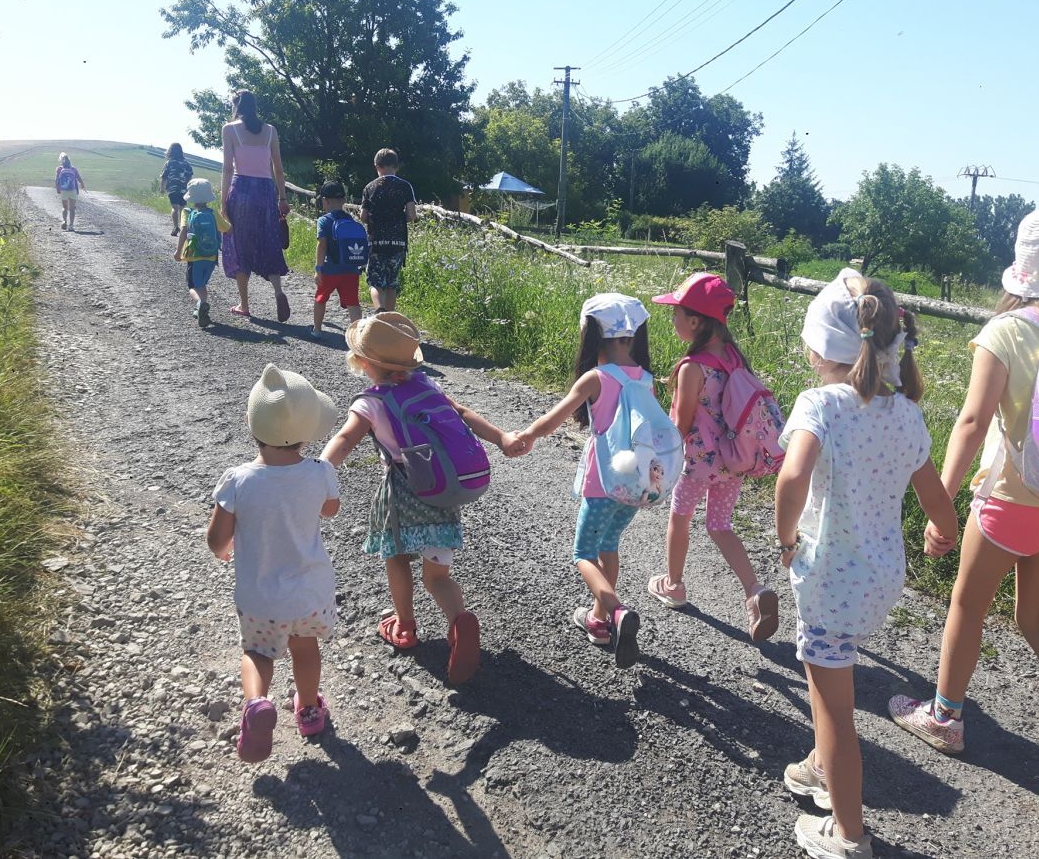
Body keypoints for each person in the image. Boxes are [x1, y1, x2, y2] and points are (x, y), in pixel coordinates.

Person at [889, 202, 1039, 809]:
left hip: (1013, 500)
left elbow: (971, 421)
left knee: (968, 603)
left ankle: (944, 717)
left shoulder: (1008, 331)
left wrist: (940, 502)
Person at [775, 269, 958, 859]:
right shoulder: (905, 412)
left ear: (820, 348)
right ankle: (818, 765)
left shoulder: (820, 405)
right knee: (831, 679)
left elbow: (792, 478)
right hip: (881, 578)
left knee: (833, 707)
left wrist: (785, 539)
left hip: (829, 580)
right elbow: (936, 500)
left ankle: (849, 834)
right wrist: (946, 531)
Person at [320, 312, 523, 685]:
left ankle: (405, 625)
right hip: (442, 490)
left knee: (397, 558)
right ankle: (459, 619)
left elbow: (346, 439)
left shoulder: (371, 402)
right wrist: (501, 438)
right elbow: (462, 413)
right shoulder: (425, 383)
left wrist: (320, 469)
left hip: (404, 492)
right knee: (437, 576)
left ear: (363, 362)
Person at [515, 294, 657, 669]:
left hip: (602, 483)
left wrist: (526, 436)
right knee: (609, 544)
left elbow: (553, 419)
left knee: (583, 553)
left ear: (592, 333)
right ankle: (598, 619)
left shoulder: (596, 378)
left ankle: (617, 612)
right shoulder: (646, 379)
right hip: (636, 484)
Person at [206, 364, 339, 763]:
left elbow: (216, 540)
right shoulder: (320, 473)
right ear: (308, 432)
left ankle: (256, 704)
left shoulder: (238, 480)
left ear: (252, 424)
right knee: (305, 649)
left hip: (260, 598)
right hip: (309, 594)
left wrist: (225, 548)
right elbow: (330, 510)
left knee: (258, 653)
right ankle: (309, 711)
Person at [645, 272, 780, 640]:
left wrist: (658, 452)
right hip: (733, 460)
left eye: (676, 312)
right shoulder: (735, 357)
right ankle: (754, 591)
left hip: (697, 463)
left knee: (680, 517)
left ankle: (673, 585)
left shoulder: (693, 367)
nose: (672, 318)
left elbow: (682, 424)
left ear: (695, 321)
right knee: (720, 526)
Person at [219, 89, 291, 322]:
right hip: (265, 192)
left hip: (241, 190)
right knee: (269, 241)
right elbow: (278, 168)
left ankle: (245, 304)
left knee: (239, 244)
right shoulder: (270, 131)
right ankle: (278, 291)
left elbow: (227, 168)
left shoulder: (229, 130)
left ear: (236, 106)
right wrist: (282, 198)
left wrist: (223, 202)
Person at [360, 148, 416, 312]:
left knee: (375, 282)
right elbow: (411, 215)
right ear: (396, 166)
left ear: (377, 166)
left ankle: (379, 309)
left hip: (376, 241)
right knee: (392, 283)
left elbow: (363, 216)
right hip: (398, 241)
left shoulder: (369, 187)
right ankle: (390, 318)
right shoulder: (405, 186)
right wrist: (398, 219)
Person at [173, 178, 231, 328]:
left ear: (191, 197)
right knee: (202, 284)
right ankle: (201, 309)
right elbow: (228, 229)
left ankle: (200, 304)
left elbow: (183, 232)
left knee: (193, 286)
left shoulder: (187, 212)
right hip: (211, 257)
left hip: (194, 256)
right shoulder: (213, 213)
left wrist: (178, 251)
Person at [310, 180, 364, 340]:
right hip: (350, 269)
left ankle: (317, 330)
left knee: (320, 299)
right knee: (353, 303)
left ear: (325, 201)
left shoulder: (324, 220)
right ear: (344, 200)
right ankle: (358, 337)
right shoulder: (351, 220)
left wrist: (318, 269)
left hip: (329, 269)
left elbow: (322, 245)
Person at [159, 143, 194, 236]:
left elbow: (164, 177)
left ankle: (175, 227)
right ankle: (184, 228)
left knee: (175, 208)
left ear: (170, 151)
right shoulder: (186, 163)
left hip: (173, 189)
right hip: (184, 189)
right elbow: (190, 176)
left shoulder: (169, 163)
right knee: (183, 209)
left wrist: (162, 188)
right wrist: (189, 187)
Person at [54, 153, 86, 232]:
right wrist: (82, 185)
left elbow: (57, 180)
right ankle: (71, 225)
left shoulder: (59, 169)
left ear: (61, 161)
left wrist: (58, 189)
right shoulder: (74, 169)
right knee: (72, 208)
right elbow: (79, 179)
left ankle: (64, 221)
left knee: (64, 207)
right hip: (73, 190)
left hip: (64, 190)